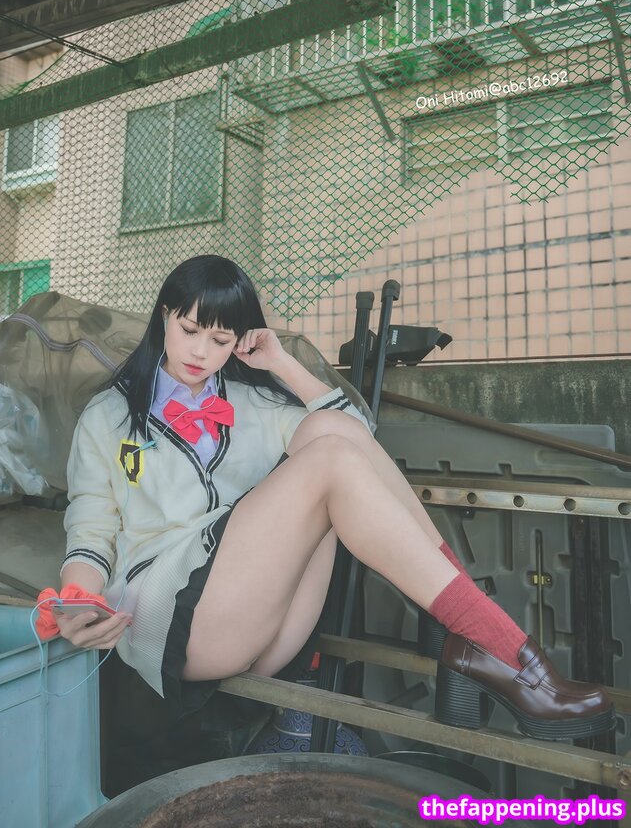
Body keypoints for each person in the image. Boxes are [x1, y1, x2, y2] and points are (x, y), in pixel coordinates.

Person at [55, 254, 614, 739]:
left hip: (266, 629)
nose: (201, 351)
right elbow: (90, 533)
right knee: (328, 459)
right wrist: (79, 600)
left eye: (220, 340)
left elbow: (357, 439)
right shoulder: (108, 415)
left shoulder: (251, 402)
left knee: (332, 438)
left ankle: (471, 629)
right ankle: (490, 639)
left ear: (239, 340)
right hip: (172, 619)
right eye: (189, 330)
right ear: (164, 317)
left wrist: (280, 363)